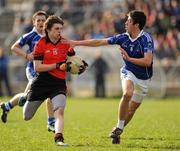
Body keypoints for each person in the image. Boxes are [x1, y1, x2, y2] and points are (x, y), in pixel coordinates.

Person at [69, 10, 154, 144]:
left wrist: (129, 58)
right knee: (127, 93)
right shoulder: (123, 37)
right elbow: (99, 42)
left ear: (137, 25)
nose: (126, 22)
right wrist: (76, 43)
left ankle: (117, 129)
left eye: (129, 20)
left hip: (143, 78)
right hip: (128, 72)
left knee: (131, 110)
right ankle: (119, 128)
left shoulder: (146, 39)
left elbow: (147, 61)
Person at [23, 15, 87, 146]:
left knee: (59, 111)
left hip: (58, 83)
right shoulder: (40, 44)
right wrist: (57, 65)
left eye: (60, 29)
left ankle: (59, 138)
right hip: (41, 83)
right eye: (57, 29)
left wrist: (81, 65)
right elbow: (38, 67)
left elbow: (73, 58)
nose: (59, 32)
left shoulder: (65, 43)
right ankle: (24, 97)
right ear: (48, 30)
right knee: (27, 116)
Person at [0, 11, 55, 132]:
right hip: (33, 70)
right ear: (34, 23)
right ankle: (50, 121)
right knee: (26, 97)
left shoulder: (50, 36)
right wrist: (26, 55)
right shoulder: (30, 36)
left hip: (46, 71)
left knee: (50, 93)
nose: (41, 22)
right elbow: (14, 47)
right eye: (38, 20)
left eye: (43, 20)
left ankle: (7, 106)